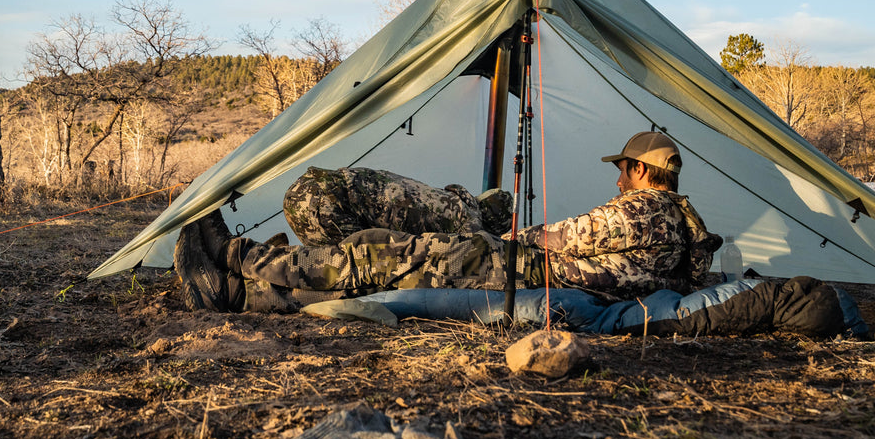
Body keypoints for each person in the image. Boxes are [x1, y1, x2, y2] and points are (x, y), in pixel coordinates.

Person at [175, 131, 722, 313]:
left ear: (639, 170)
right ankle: (241, 294)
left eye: (624, 170)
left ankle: (236, 260)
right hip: (552, 277)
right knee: (386, 262)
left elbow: (568, 236)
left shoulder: (646, 211)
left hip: (531, 270)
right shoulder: (680, 228)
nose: (619, 180)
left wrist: (505, 239)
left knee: (384, 257)